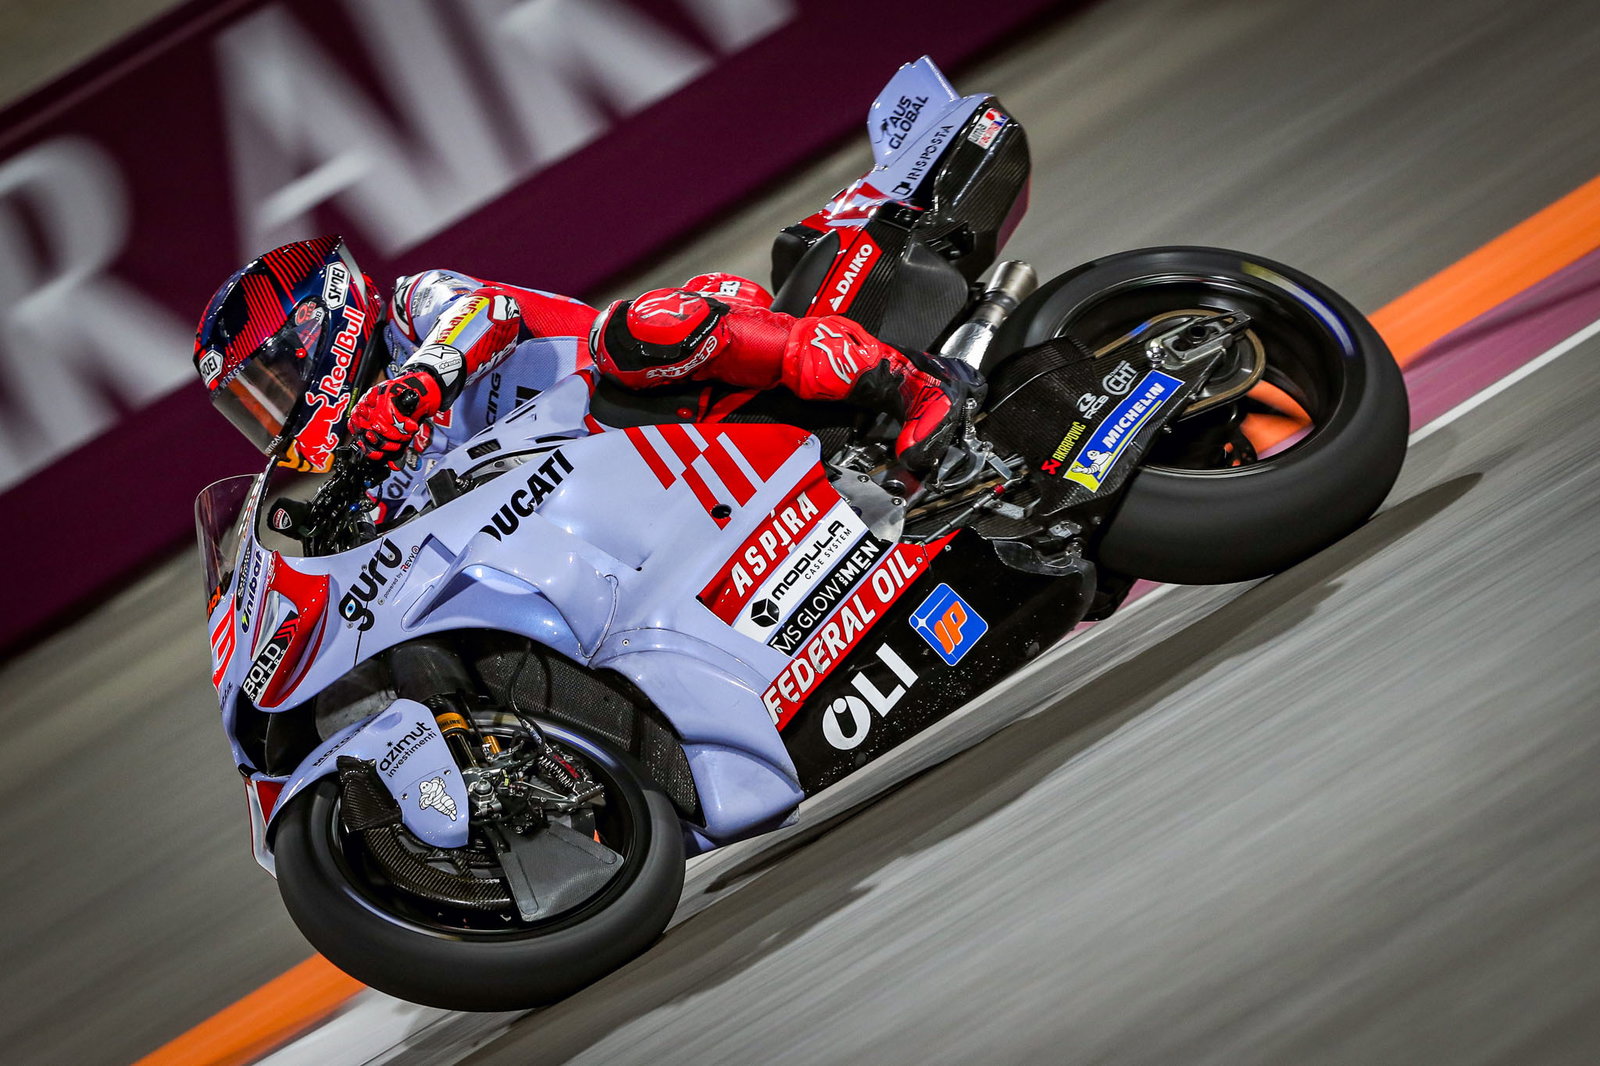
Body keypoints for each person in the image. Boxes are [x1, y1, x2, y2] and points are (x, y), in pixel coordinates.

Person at [194, 236, 981, 500]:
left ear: (317, 325)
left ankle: (915, 384)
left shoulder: (412, 304)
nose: (273, 410)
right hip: (610, 498)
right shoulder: (365, 460)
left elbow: (487, 315)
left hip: (665, 388)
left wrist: (418, 385)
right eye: (251, 403)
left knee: (630, 334)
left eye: (271, 380)